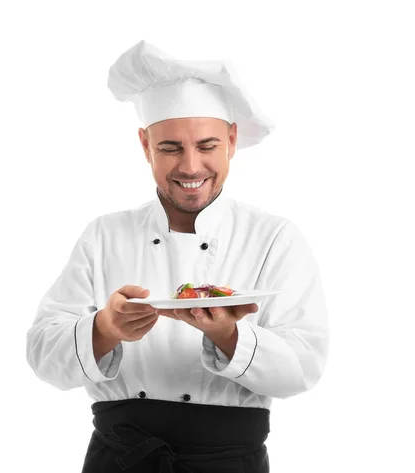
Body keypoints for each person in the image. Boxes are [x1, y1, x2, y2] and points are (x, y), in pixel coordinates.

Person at [26, 40, 329, 473]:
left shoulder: (275, 238)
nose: (190, 167)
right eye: (170, 148)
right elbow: (42, 356)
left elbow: (303, 369)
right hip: (121, 460)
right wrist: (104, 329)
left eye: (207, 147)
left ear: (231, 140)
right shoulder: (104, 235)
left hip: (228, 463)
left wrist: (230, 336)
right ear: (145, 144)